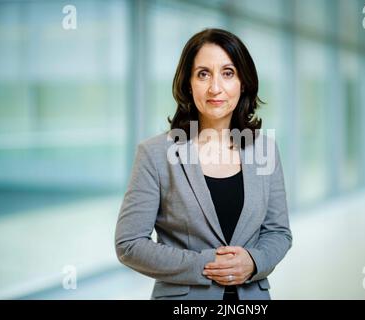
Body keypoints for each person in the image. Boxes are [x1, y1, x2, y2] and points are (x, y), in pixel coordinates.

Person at [115, 28, 292, 300]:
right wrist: (206, 265)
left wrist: (254, 261)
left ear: (243, 82)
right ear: (188, 83)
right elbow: (129, 244)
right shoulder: (155, 153)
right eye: (203, 74)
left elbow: (278, 232)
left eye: (228, 72)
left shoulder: (265, 149)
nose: (215, 87)